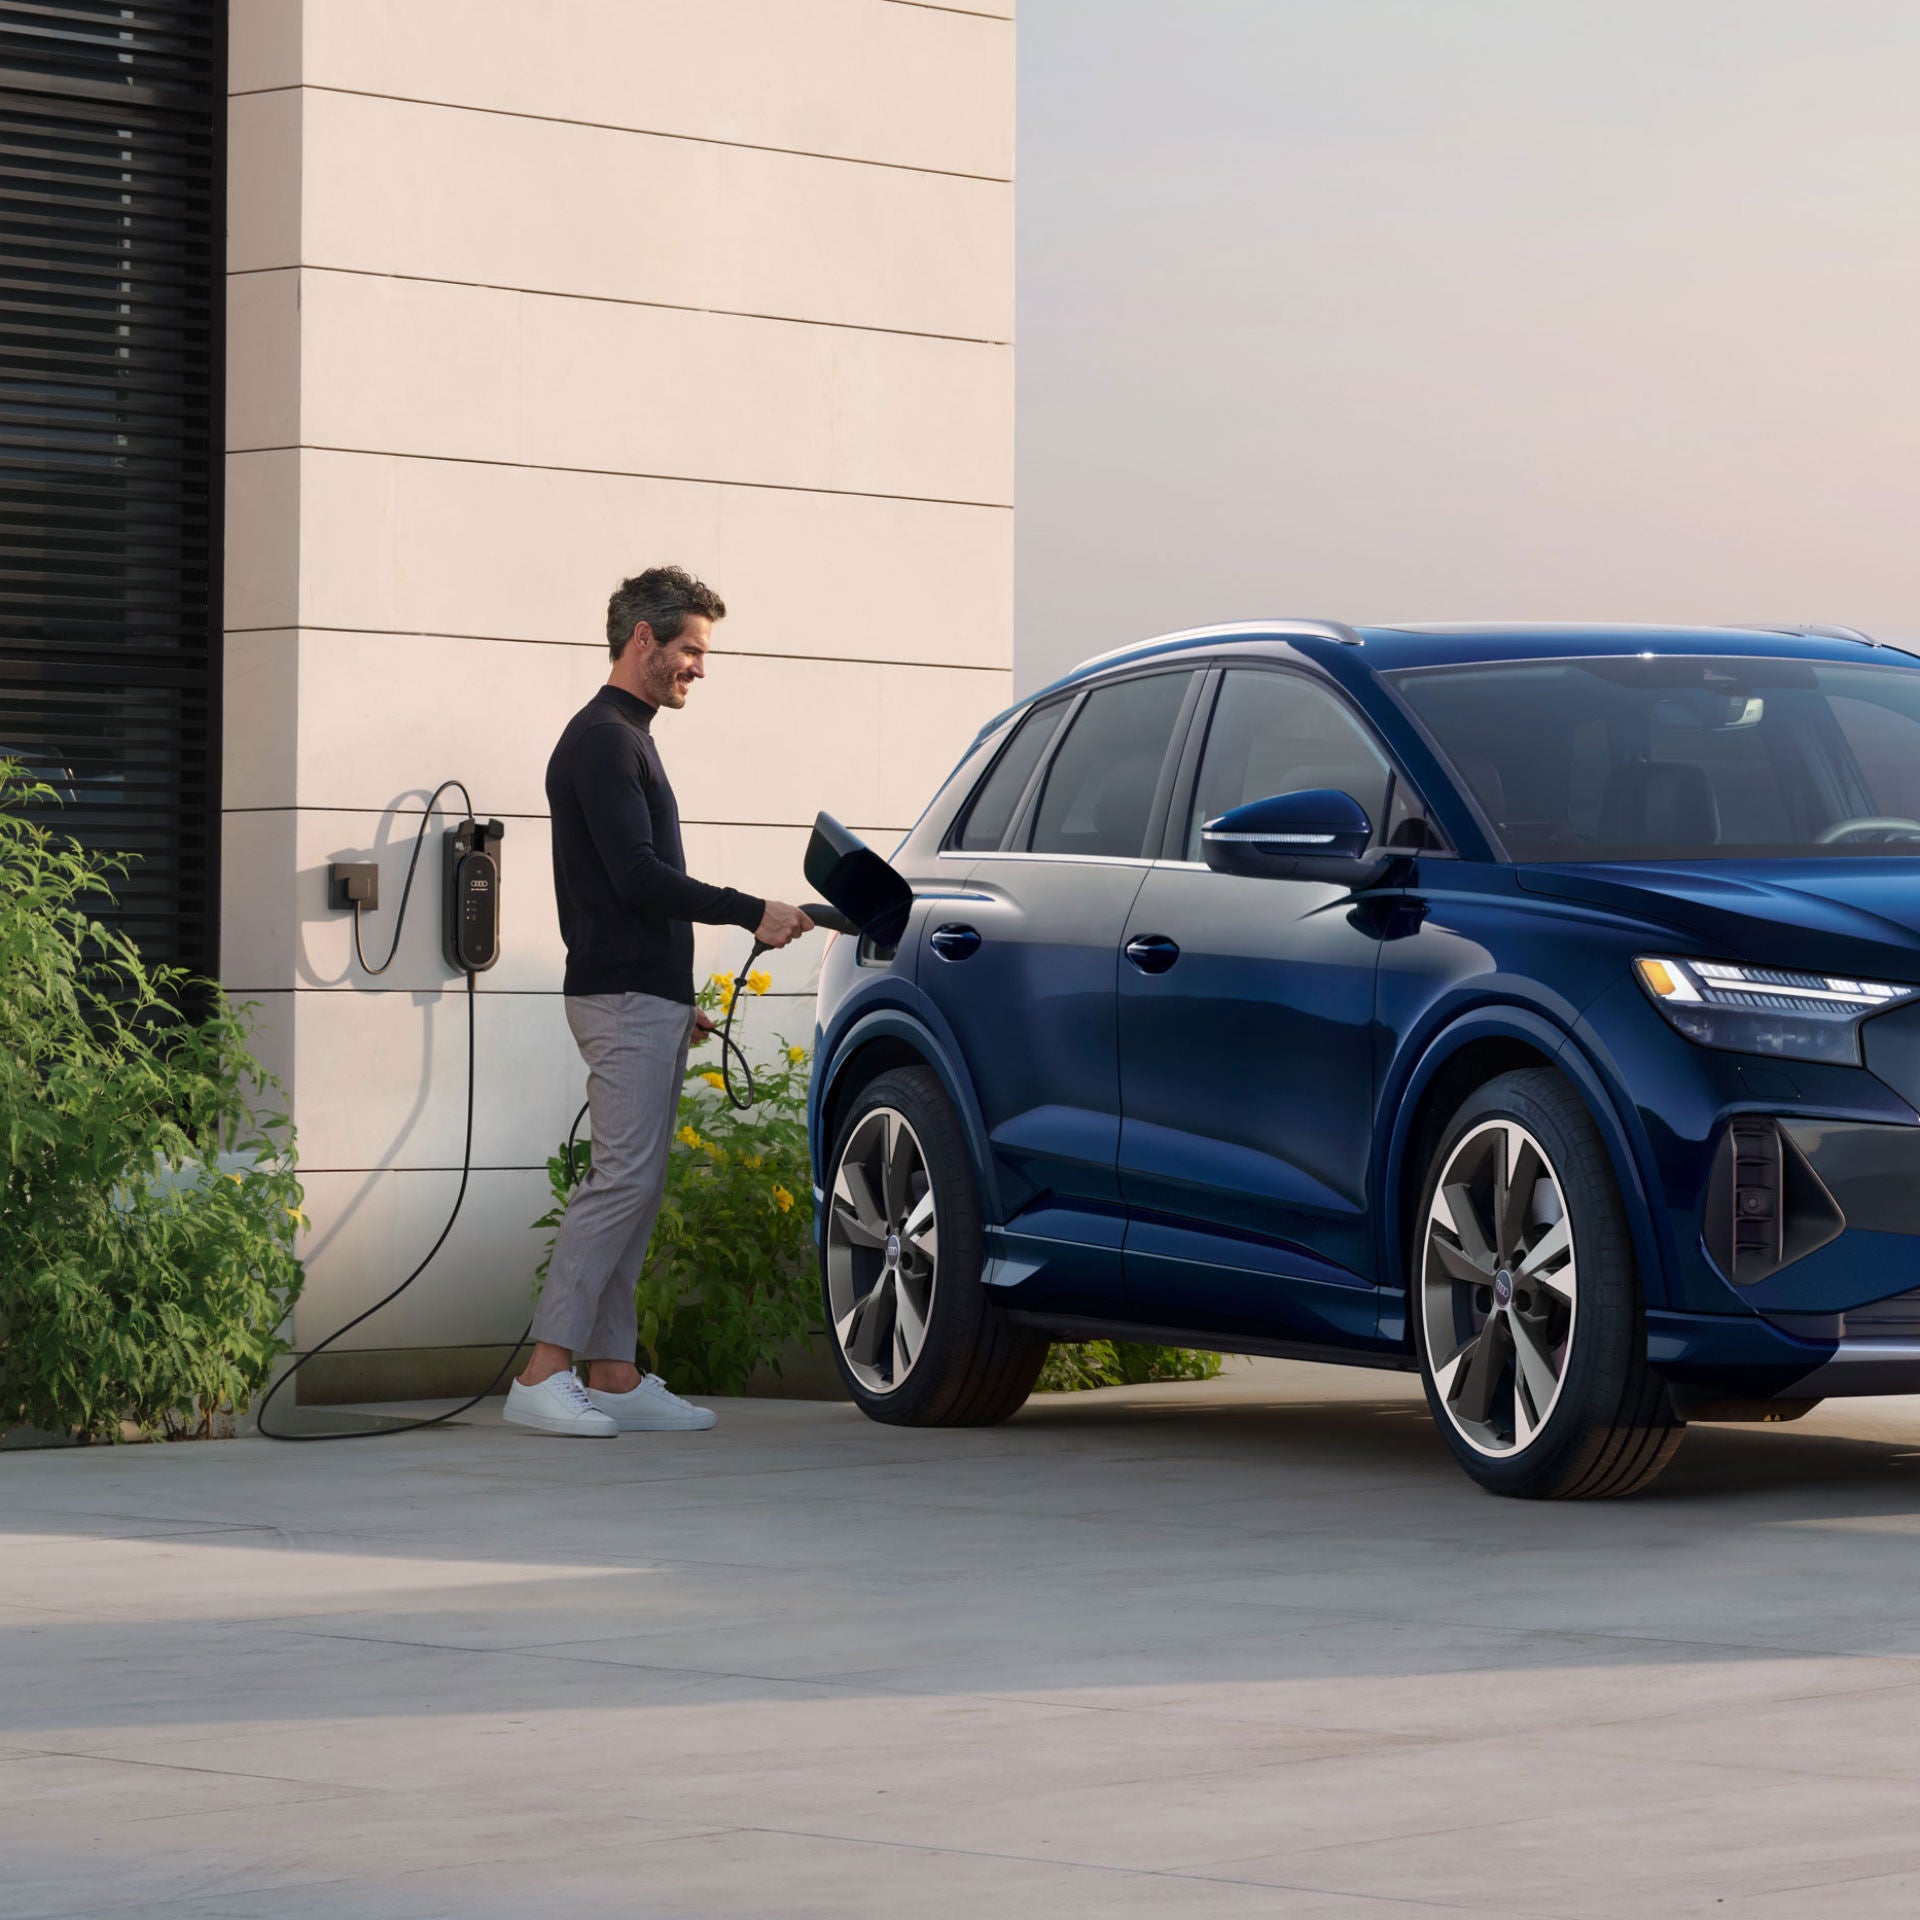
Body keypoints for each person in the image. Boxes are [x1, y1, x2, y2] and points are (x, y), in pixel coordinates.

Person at [504, 567, 813, 1437]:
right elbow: (639, 880)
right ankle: (542, 1373)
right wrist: (753, 909)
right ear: (643, 637)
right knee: (621, 1182)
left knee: (634, 1186)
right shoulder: (604, 740)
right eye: (690, 649)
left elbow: (621, 885)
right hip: (622, 995)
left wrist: (680, 1001)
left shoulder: (625, 737)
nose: (699, 669)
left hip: (645, 996)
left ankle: (612, 1372)